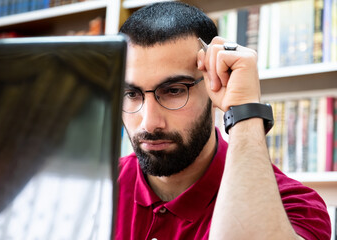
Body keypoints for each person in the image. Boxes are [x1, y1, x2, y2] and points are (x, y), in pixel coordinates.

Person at [115, 2, 331, 239]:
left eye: (174, 90)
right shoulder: (93, 187)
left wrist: (244, 108)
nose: (149, 123)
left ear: (214, 81)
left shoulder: (294, 207)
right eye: (131, 94)